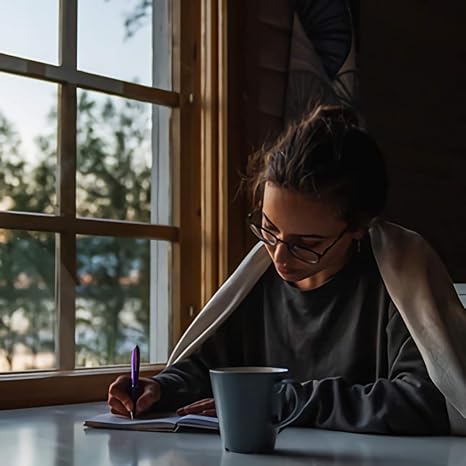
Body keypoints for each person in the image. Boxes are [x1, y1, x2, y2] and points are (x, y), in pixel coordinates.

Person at [108, 105, 465, 435]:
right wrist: (163, 388)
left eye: (306, 243)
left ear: (358, 227)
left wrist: (283, 402)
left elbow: (429, 401)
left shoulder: (399, 275)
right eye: (269, 229)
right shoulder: (260, 279)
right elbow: (208, 367)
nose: (279, 256)